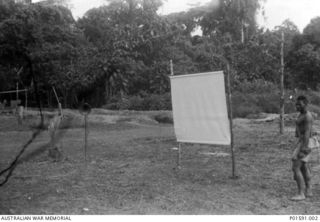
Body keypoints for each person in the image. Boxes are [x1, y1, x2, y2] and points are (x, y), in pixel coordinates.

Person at [291, 95, 314, 201]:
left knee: (296, 167)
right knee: (303, 166)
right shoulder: (302, 114)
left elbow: (307, 133)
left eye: (299, 104)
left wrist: (303, 149)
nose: (297, 106)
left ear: (306, 104)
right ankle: (308, 190)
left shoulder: (307, 116)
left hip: (305, 143)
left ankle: (301, 193)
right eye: (296, 104)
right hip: (302, 142)